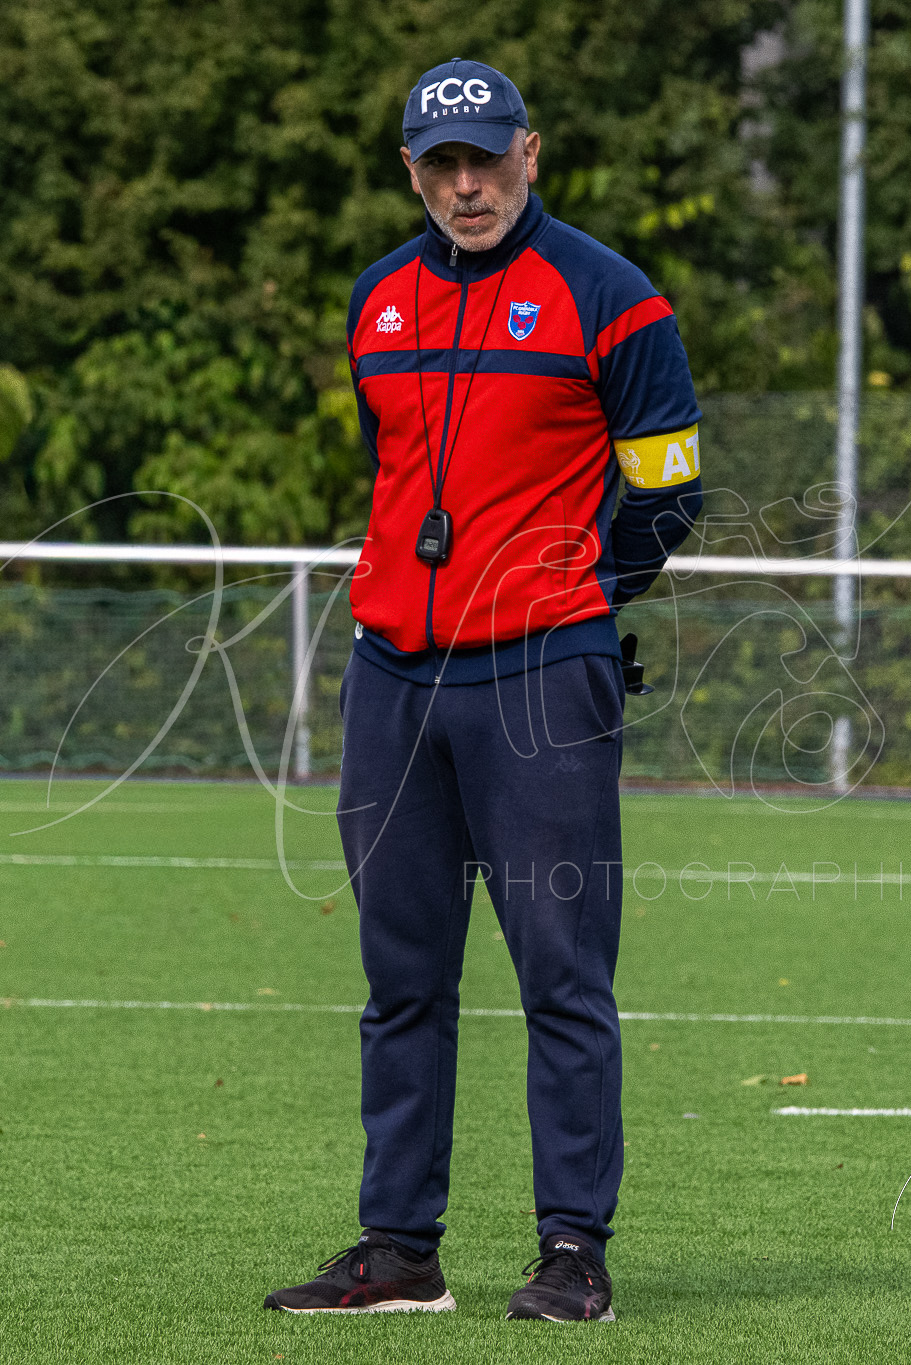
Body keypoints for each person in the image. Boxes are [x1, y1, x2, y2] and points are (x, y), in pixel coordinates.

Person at [263, 58, 703, 1323]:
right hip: (391, 680)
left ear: (529, 154)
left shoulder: (615, 302)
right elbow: (389, 474)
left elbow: (666, 494)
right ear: (411, 170)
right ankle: (398, 1253)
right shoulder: (372, 302)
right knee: (400, 980)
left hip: (541, 685)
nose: (466, 185)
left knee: (562, 978)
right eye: (439, 165)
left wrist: (570, 590)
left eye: (485, 159)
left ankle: (574, 1251)